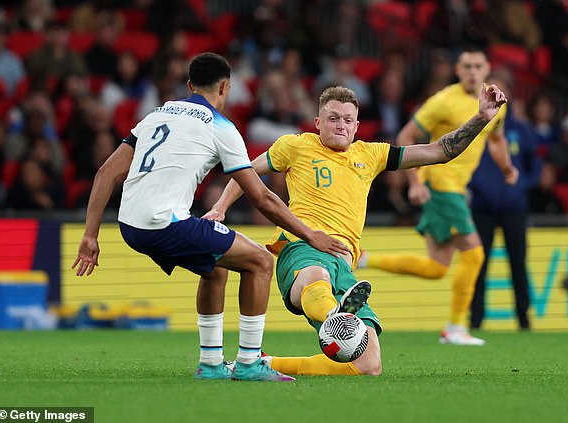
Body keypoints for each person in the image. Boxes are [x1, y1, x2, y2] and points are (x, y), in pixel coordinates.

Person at [71, 52, 349, 382]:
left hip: (129, 224)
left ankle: (211, 363)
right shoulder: (222, 127)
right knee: (260, 261)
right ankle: (249, 363)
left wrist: (90, 235)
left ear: (189, 85)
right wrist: (309, 235)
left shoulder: (154, 116)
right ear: (225, 87)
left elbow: (105, 172)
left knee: (215, 267)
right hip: (164, 223)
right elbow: (261, 197)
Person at [206, 82, 509, 375]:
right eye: (333, 118)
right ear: (318, 122)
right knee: (317, 276)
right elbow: (244, 172)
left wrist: (481, 117)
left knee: (368, 365)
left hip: (344, 265)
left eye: (347, 120)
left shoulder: (371, 154)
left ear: (356, 125)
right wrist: (220, 207)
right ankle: (335, 316)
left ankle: (265, 363)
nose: (340, 125)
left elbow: (440, 151)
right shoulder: (295, 146)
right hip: (303, 247)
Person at [359, 48, 518, 346]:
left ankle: (364, 259)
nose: (472, 71)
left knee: (436, 268)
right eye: (467, 66)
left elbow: (495, 138)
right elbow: (405, 138)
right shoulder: (443, 100)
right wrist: (415, 181)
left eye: (477, 66)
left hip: (455, 190)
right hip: (441, 186)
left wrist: (508, 169)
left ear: (487, 70)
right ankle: (455, 328)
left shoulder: (496, 102)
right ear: (457, 70)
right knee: (474, 254)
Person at [468, 72, 542, 331]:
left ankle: (524, 318)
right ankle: (475, 319)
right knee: (478, 265)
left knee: (518, 264)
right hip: (482, 208)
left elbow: (535, 164)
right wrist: (476, 186)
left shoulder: (520, 129)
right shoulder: (476, 126)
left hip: (514, 208)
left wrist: (522, 186)